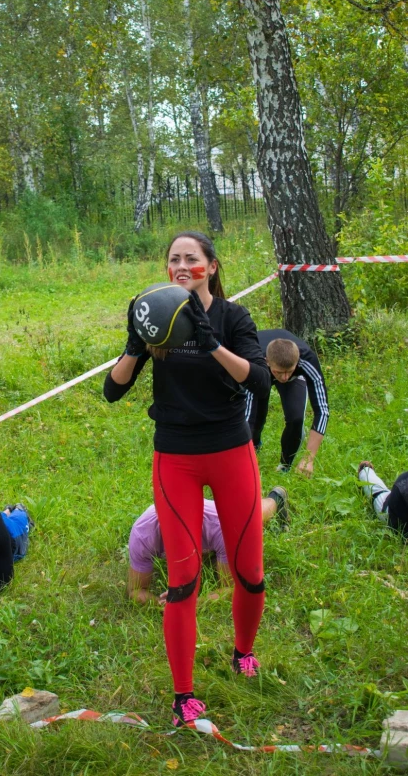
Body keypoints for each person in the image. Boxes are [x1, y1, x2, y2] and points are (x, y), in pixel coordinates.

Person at [103, 231, 271, 727]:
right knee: (183, 581)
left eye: (191, 259)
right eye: (173, 258)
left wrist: (211, 341)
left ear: (211, 267)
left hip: (230, 451)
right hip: (175, 456)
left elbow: (258, 382)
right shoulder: (154, 314)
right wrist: (136, 344)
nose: (181, 265)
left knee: (249, 572)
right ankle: (183, 695)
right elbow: (112, 392)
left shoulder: (232, 317)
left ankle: (243, 651)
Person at [127, 488, 288, 605]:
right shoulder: (143, 534)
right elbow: (135, 590)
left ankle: (276, 498)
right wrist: (161, 603)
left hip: (222, 523)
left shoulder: (221, 526)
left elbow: (232, 588)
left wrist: (194, 603)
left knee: (254, 516)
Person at [246, 329, 329, 476]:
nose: (284, 377)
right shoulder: (253, 359)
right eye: (279, 372)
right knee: (256, 418)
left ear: (297, 362)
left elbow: (322, 410)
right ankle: (254, 445)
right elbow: (246, 417)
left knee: (296, 418)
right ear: (268, 361)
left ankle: (285, 466)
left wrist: (309, 458)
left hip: (292, 375)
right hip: (261, 372)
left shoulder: (307, 360)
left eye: (289, 371)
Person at [358, 461, 408, 540]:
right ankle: (365, 470)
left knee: (379, 490)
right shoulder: (403, 482)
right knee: (377, 492)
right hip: (389, 511)